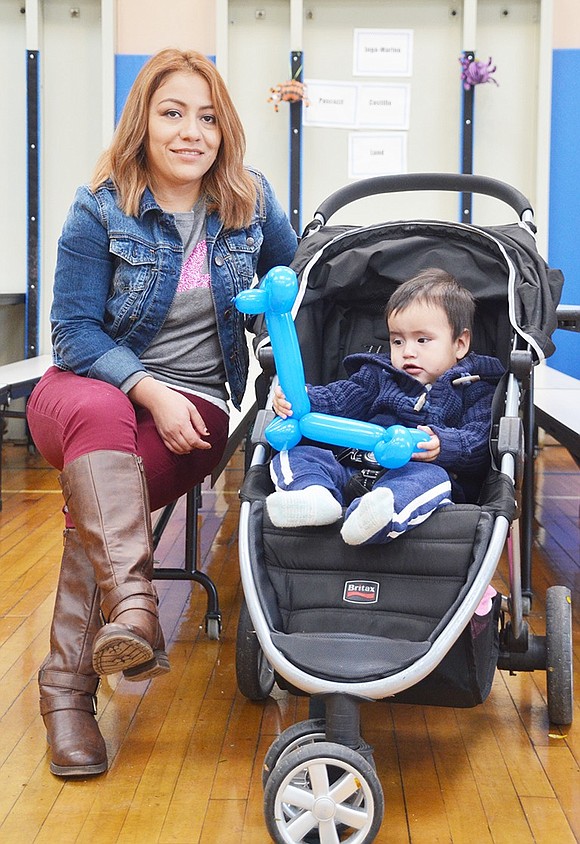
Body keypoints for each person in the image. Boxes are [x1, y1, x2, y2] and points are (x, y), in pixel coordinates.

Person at [26, 48, 297, 778]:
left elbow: (291, 295)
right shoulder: (100, 206)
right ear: (142, 120)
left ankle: (69, 689)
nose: (191, 132)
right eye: (172, 113)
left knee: (98, 504)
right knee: (102, 419)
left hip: (199, 406)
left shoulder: (252, 202)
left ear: (225, 129)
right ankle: (129, 624)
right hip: (87, 390)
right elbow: (75, 334)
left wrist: (285, 372)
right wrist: (148, 386)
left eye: (207, 118)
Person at [266, 268, 505, 545]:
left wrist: (445, 444)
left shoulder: (474, 390)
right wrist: (304, 399)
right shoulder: (379, 377)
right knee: (298, 453)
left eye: (422, 340)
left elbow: (479, 439)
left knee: (434, 478)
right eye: (397, 340)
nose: (407, 351)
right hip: (351, 466)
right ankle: (314, 496)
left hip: (412, 472)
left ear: (460, 344)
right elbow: (342, 397)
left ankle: (379, 515)